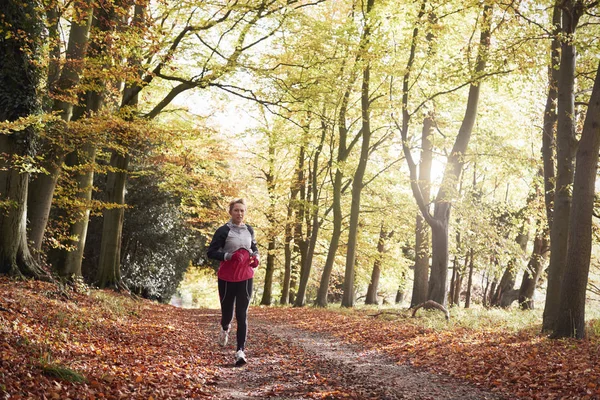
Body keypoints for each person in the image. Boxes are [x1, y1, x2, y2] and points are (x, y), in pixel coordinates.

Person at [206, 198, 259, 366]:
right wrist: (229, 256)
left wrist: (255, 258)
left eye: (242, 210)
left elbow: (254, 249)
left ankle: (240, 352)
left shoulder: (249, 230)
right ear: (231, 212)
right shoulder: (223, 231)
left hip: (245, 277)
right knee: (227, 313)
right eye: (236, 210)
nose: (239, 213)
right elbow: (211, 252)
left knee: (242, 315)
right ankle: (224, 328)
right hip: (227, 278)